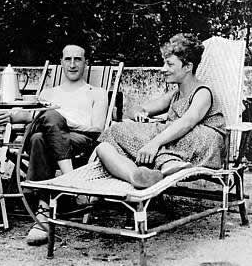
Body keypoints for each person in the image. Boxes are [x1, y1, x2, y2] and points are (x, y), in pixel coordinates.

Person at [7, 44, 108, 245]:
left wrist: (62, 122)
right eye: (68, 59)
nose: (72, 64)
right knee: (44, 125)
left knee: (40, 137)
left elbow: (97, 128)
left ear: (85, 63)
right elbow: (27, 117)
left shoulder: (96, 92)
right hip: (53, 138)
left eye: (77, 59)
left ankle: (42, 212)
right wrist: (12, 114)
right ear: (61, 62)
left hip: (80, 139)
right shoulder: (48, 93)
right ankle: (72, 183)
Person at [96, 33, 226, 188]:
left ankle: (168, 162)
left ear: (188, 67)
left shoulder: (202, 92)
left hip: (203, 143)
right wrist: (139, 113)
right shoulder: (174, 94)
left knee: (124, 130)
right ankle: (139, 175)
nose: (163, 69)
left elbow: (187, 122)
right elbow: (137, 109)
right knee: (103, 147)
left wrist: (153, 143)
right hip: (175, 142)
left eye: (170, 64)